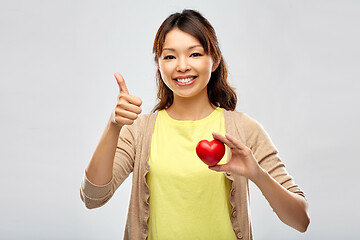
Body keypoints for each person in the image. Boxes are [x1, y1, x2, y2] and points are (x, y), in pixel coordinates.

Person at [80, 9, 310, 240]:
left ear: (215, 60)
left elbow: (300, 220)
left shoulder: (244, 129)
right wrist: (113, 126)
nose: (182, 66)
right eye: (169, 56)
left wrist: (258, 175)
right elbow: (93, 198)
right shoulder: (139, 131)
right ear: (159, 64)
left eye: (195, 54)